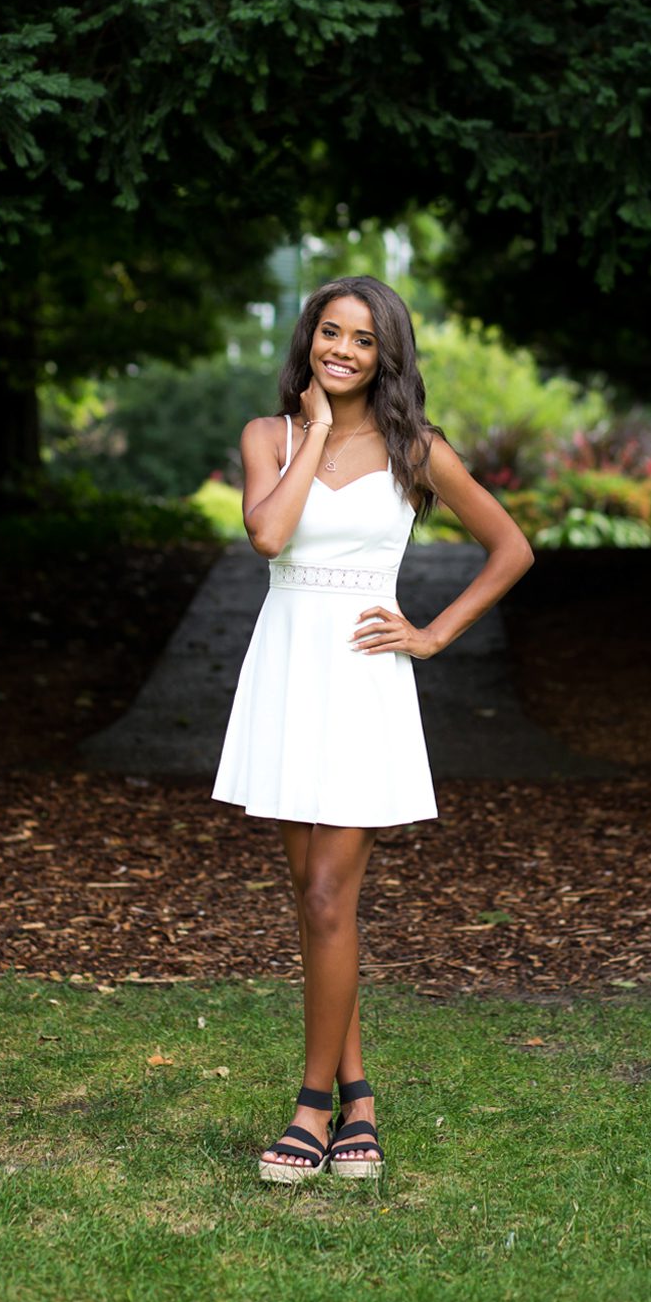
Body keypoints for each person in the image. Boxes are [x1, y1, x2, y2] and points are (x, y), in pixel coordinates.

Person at [212, 276, 535, 1184]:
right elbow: (269, 535)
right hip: (285, 672)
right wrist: (312, 431)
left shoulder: (414, 449)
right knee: (321, 907)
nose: (342, 350)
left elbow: (511, 547)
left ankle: (311, 1109)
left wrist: (431, 634)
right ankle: (358, 1096)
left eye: (362, 339)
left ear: (385, 353)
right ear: (309, 340)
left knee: (325, 896)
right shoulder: (268, 437)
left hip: (361, 680)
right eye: (329, 333)